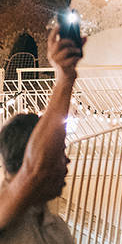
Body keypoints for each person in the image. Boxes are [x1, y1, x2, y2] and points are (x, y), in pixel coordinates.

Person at [0, 27, 83, 243]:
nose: (67, 160)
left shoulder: (57, 229)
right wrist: (65, 78)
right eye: (58, 153)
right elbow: (34, 171)